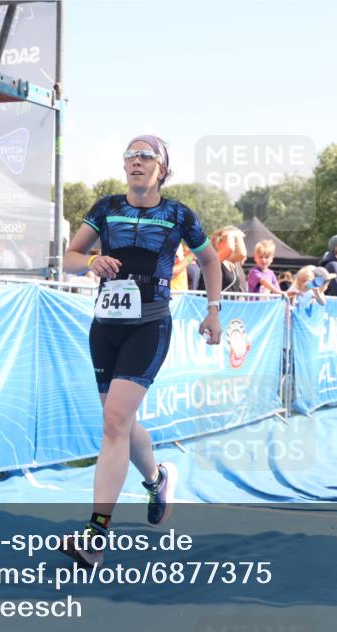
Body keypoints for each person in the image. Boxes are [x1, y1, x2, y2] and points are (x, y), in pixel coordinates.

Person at [61, 135, 222, 568]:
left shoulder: (179, 215)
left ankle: (95, 535)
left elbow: (210, 261)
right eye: (130, 155)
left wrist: (213, 311)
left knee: (114, 421)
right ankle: (156, 478)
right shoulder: (106, 208)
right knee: (120, 422)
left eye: (146, 156)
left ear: (162, 169)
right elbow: (70, 256)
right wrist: (90, 261)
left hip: (149, 324)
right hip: (105, 326)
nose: (136, 161)